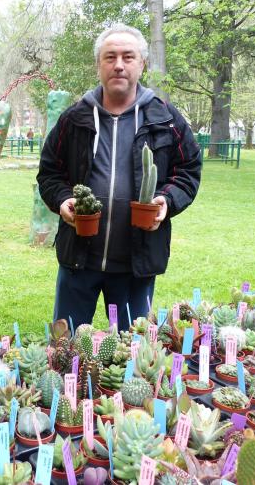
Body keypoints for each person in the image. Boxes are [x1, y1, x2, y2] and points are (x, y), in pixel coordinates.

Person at [36, 23, 202, 332]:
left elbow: (189, 169)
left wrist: (166, 201)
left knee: (131, 352)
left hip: (135, 263)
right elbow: (49, 173)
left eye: (128, 57)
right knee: (68, 348)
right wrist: (61, 201)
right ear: (98, 64)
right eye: (110, 57)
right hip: (78, 261)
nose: (119, 65)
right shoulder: (75, 118)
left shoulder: (165, 118)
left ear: (142, 64)